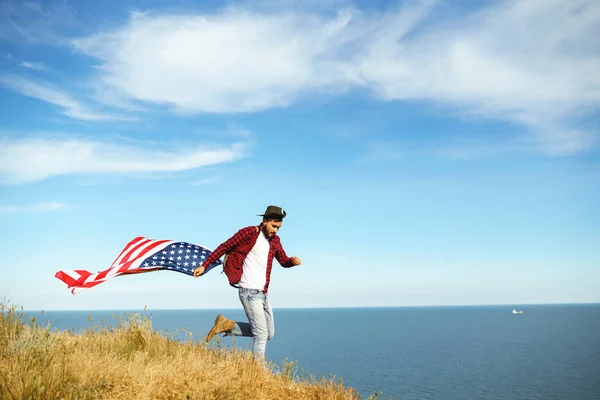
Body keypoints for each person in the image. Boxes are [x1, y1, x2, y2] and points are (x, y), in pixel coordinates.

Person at [192, 205, 302, 359]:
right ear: (264, 221)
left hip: (263, 294)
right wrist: (205, 265)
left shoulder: (275, 241)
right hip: (248, 291)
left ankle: (227, 325)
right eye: (273, 226)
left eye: (279, 227)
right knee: (261, 334)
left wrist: (292, 261)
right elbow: (225, 246)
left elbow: (283, 260)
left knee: (268, 333)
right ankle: (257, 372)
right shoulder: (249, 233)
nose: (275, 230)